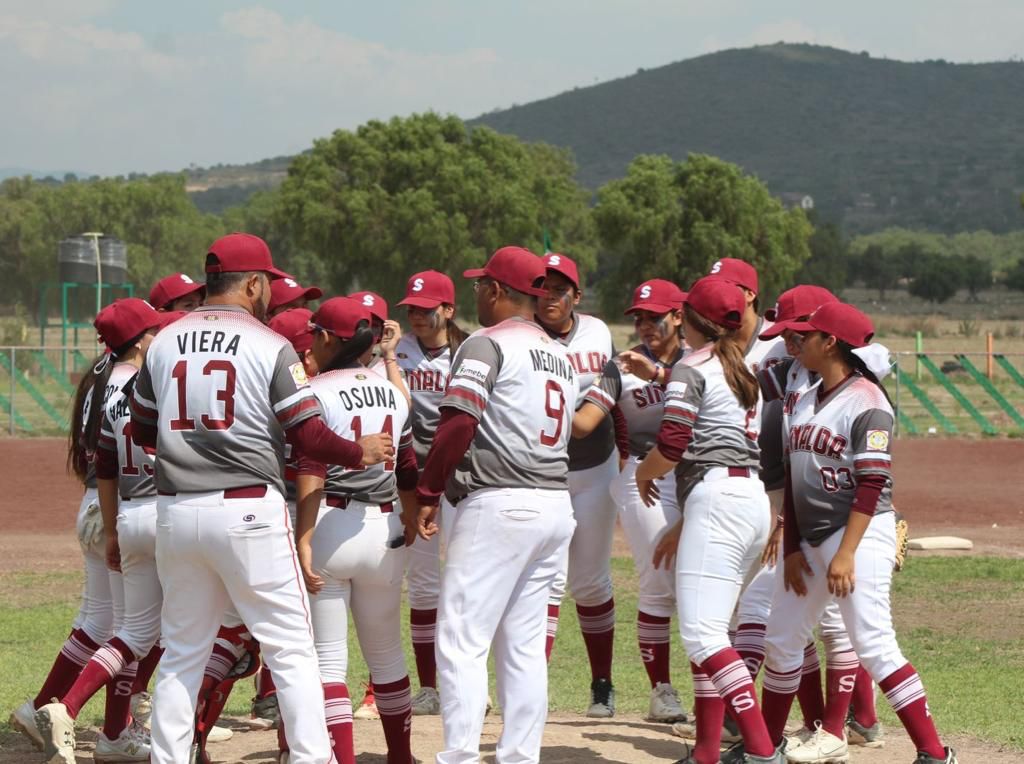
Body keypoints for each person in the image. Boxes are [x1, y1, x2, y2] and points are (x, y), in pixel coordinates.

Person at [127, 232, 394, 764]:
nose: (270, 292)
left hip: (176, 511)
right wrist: (357, 450)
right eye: (267, 282)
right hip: (248, 508)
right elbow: (309, 436)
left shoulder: (164, 341)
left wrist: (193, 447)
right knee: (292, 650)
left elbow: (142, 429)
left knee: (182, 654)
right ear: (252, 283)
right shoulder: (269, 343)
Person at [758, 302, 957, 764]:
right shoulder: (804, 396)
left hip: (858, 534)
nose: (797, 345)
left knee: (873, 643)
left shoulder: (869, 401)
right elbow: (791, 476)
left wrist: (846, 553)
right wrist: (791, 546)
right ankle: (762, 748)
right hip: (808, 539)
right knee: (783, 636)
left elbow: (871, 483)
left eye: (807, 337)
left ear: (831, 343)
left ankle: (934, 753)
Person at [411, 246, 579, 764]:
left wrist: (429, 491)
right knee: (524, 647)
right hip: (554, 504)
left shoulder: (486, 343)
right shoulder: (560, 354)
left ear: (499, 291)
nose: (476, 294)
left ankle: (460, 757)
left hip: (500, 503)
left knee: (462, 636)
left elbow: (459, 421)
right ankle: (518, 757)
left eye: (481, 285)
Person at [635, 276, 784, 764]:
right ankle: (706, 750)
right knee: (714, 627)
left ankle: (762, 750)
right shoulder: (741, 370)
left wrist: (643, 471)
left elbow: (674, 442)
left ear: (692, 319)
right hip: (750, 497)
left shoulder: (690, 366)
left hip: (718, 497)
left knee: (702, 634)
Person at [33, 300, 166, 764]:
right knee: (135, 632)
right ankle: (101, 725)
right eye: (154, 331)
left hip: (104, 504)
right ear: (140, 339)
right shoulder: (145, 385)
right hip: (135, 503)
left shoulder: (98, 379)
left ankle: (71, 717)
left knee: (105, 624)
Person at [294, 296, 419, 764]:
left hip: (330, 521)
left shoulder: (317, 389)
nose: (310, 342)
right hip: (384, 526)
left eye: (314, 334)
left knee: (329, 661)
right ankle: (401, 757)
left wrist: (303, 539)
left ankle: (341, 759)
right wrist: (410, 515)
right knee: (386, 653)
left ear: (329, 339)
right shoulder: (392, 389)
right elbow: (407, 466)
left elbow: (310, 467)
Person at [571, 278, 689, 724]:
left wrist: (659, 374)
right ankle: (661, 690)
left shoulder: (701, 360)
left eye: (654, 317)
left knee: (708, 584)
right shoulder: (620, 367)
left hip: (699, 476)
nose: (644, 326)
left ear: (678, 317)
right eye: (638, 318)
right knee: (659, 577)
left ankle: (717, 693)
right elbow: (586, 420)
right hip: (644, 477)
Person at [8, 358, 112, 751]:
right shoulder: (126, 370)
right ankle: (114, 725)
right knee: (126, 626)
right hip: (111, 501)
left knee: (99, 619)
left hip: (96, 500)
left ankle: (42, 706)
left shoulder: (101, 369)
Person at [534, 253, 619, 717]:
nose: (550, 296)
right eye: (543, 287)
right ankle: (536, 687)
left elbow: (612, 397)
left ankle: (602, 684)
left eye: (559, 288)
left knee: (590, 581)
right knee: (546, 582)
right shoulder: (522, 335)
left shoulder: (598, 332)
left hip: (594, 469)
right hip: (542, 473)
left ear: (576, 296)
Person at [393, 270, 467, 717]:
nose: (417, 315)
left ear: (447, 310)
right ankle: (428, 687)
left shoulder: (470, 351)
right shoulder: (397, 352)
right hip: (412, 477)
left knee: (462, 584)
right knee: (422, 586)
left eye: (426, 308)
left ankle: (463, 683)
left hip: (460, 479)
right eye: (412, 309)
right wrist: (385, 355)